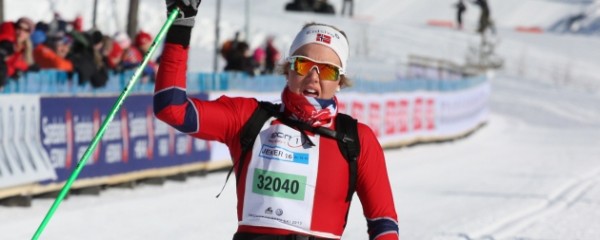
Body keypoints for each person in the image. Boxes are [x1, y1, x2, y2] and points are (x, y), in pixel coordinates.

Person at [154, 1, 399, 239]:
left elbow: (383, 223)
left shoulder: (357, 139)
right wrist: (180, 26)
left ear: (340, 81)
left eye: (327, 70)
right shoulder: (249, 117)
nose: (314, 78)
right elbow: (172, 108)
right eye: (304, 64)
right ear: (288, 68)